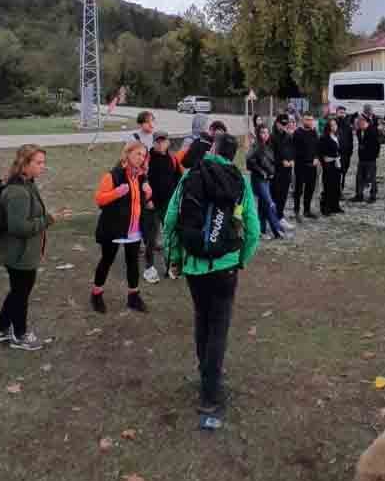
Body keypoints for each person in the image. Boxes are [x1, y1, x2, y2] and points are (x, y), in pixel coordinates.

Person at [163, 133, 260, 431]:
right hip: (226, 265)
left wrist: (175, 259)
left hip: (194, 266)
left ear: (213, 149)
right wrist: (241, 257)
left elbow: (170, 221)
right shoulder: (239, 181)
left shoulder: (191, 176)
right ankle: (210, 392)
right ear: (233, 155)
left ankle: (206, 373)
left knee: (202, 320)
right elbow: (252, 227)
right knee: (219, 325)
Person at [0, 145, 71, 351]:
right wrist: (49, 219)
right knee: (20, 295)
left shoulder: (27, 184)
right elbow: (18, 227)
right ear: (24, 164)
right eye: (38, 162)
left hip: (22, 252)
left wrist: (47, 217)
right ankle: (19, 335)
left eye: (43, 162)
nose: (43, 167)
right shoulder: (18, 191)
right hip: (19, 254)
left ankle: (0, 330)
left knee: (17, 291)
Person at [91, 141, 152, 314]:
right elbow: (99, 200)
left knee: (132, 263)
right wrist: (116, 192)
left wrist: (148, 194)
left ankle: (133, 297)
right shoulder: (113, 175)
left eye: (143, 155)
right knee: (107, 260)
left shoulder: (140, 176)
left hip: (133, 229)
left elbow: (139, 201)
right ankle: (96, 294)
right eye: (137, 154)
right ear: (127, 154)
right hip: (114, 228)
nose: (141, 158)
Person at [143, 133, 182, 281]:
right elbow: (142, 180)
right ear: (153, 143)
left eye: (163, 142)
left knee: (170, 235)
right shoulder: (147, 158)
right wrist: (148, 200)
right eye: (157, 142)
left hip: (168, 204)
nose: (160, 145)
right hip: (151, 204)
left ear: (168, 143)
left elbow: (179, 179)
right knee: (151, 238)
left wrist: (176, 199)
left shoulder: (172, 159)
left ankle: (170, 266)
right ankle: (149, 267)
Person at [247, 124, 287, 239]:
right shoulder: (256, 146)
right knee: (270, 204)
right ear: (258, 134)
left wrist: (271, 173)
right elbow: (249, 161)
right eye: (262, 132)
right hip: (259, 180)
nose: (265, 135)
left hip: (267, 180)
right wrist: (261, 172)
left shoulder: (268, 146)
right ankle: (277, 230)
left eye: (266, 132)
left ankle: (261, 230)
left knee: (263, 205)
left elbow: (270, 162)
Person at [292, 113, 321, 219]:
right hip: (301, 166)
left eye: (311, 119)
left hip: (312, 167)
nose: (309, 121)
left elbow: (318, 147)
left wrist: (317, 157)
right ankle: (296, 210)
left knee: (310, 189)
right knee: (298, 190)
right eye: (307, 119)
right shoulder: (297, 133)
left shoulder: (314, 133)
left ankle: (307, 210)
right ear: (302, 121)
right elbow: (295, 150)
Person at [270, 114, 296, 220]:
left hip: (287, 170)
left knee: (284, 195)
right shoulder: (272, 137)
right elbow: (271, 154)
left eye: (286, 124)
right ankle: (273, 216)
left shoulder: (288, 136)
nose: (284, 126)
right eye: (282, 124)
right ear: (277, 124)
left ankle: (280, 215)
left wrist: (292, 160)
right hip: (277, 171)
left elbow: (293, 150)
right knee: (275, 195)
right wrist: (281, 162)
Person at [352, 114, 382, 202]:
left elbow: (377, 145)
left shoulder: (373, 130)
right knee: (359, 177)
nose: (358, 125)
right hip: (361, 158)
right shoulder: (359, 131)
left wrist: (374, 156)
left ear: (364, 122)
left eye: (359, 123)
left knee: (372, 178)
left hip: (371, 159)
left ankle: (373, 196)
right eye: (357, 124)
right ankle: (359, 195)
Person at [319, 117, 344, 214]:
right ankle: (326, 207)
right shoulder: (324, 137)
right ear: (328, 127)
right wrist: (324, 161)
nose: (334, 126)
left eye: (335, 124)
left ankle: (335, 206)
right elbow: (320, 152)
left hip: (337, 163)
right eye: (332, 125)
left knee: (336, 185)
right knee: (328, 186)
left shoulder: (337, 136)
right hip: (329, 164)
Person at [336, 106, 355, 193]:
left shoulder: (348, 126)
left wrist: (350, 152)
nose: (342, 114)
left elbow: (351, 140)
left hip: (345, 154)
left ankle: (341, 190)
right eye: (340, 112)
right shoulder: (333, 124)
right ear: (336, 113)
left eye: (343, 113)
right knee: (336, 173)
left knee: (343, 172)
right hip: (335, 154)